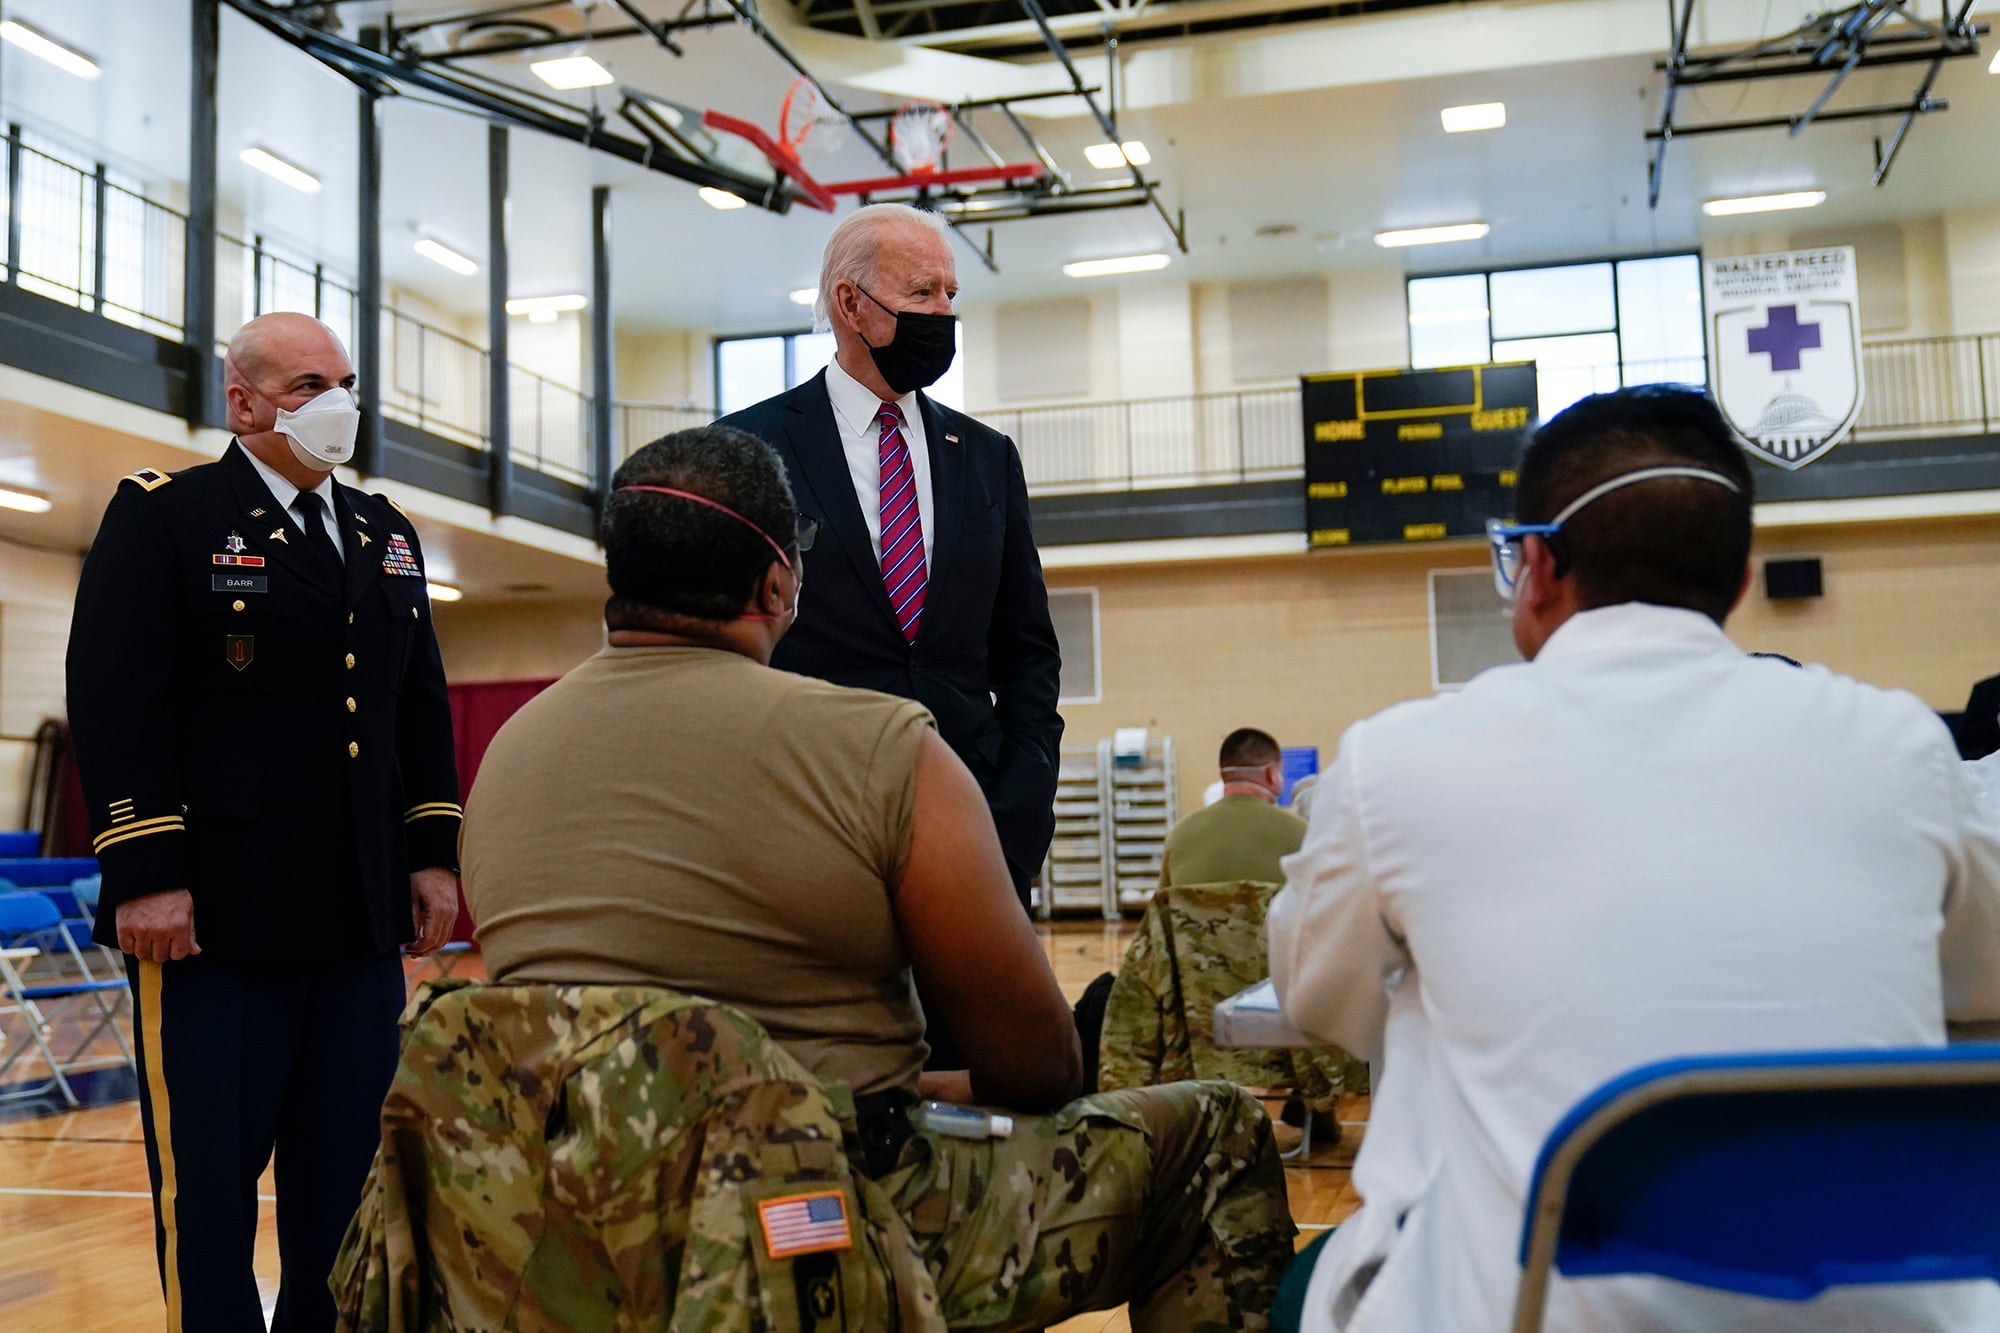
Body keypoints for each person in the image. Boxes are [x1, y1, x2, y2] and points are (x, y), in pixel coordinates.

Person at [460, 427, 1294, 1331]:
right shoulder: (882, 745)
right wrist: (912, 1088)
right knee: (1217, 1130)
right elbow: (1037, 1065)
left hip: (567, 1232)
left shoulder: (506, 756)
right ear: (777, 583)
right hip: (819, 1225)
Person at [1267, 385, 2000, 1333]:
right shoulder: (1902, 745)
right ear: (1739, 585)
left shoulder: (1399, 760)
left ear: (1535, 565)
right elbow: (1977, 978)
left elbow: (1320, 999)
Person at [66, 313, 463, 1333]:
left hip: (357, 926)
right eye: (305, 386)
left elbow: (417, 707)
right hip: (215, 926)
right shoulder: (167, 517)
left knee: (343, 1194)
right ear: (241, 403)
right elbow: (116, 698)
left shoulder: (384, 531)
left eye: (345, 380)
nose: (337, 403)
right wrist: (145, 870)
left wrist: (431, 857)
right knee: (208, 1199)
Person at [717, 204, 1063, 918]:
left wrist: (1022, 810)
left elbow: (1028, 652)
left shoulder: (989, 459)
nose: (944, 313)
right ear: (851, 303)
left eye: (950, 295)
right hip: (809, 838)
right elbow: (722, 658)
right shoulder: (747, 451)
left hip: (976, 833)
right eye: (922, 293)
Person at [1159, 727, 1308, 888]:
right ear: (1271, 774)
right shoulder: (1302, 834)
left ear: (1222, 775)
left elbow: (1163, 906)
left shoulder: (1179, 835)